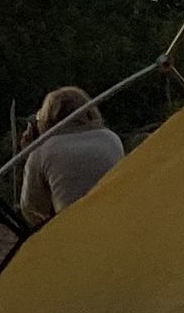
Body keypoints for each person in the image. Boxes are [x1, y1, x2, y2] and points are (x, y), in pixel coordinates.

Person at [18, 85, 125, 222]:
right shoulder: (111, 139)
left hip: (73, 228)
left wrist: (29, 158)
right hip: (114, 220)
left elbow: (33, 210)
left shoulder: (43, 151)